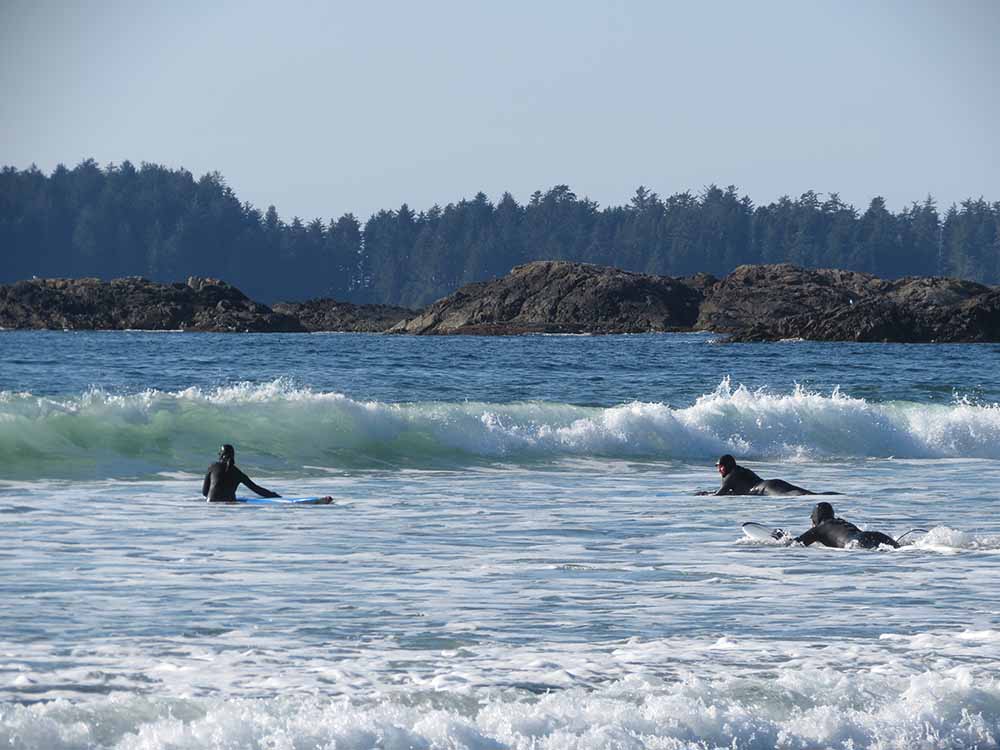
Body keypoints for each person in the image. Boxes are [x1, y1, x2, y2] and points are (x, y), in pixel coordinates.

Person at [698, 454, 824, 496]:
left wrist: (704, 495)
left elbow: (719, 495)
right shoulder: (740, 470)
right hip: (771, 483)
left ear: (723, 467)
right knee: (806, 494)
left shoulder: (730, 476)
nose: (718, 470)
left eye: (718, 467)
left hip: (765, 488)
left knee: (797, 495)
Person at [793, 501, 899, 549]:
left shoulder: (819, 529)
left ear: (815, 518)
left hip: (856, 543)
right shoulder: (842, 522)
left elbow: (795, 544)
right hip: (875, 535)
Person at [202, 444, 281, 502]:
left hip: (212, 506)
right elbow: (257, 489)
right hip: (229, 507)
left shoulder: (213, 467)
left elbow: (205, 492)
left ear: (222, 455)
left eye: (219, 453)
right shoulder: (238, 473)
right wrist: (274, 495)